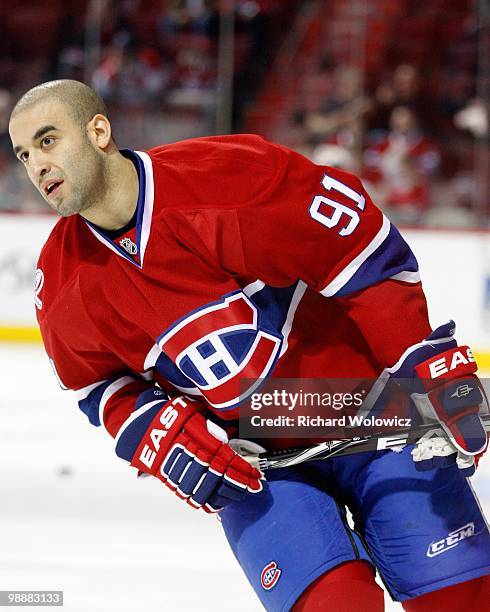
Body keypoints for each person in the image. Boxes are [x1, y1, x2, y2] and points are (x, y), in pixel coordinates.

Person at [9, 80, 490, 612]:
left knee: (463, 599)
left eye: (48, 141)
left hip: (376, 411)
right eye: (24, 153)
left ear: (98, 131)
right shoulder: (61, 284)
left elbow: (358, 248)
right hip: (258, 465)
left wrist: (422, 355)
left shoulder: (229, 176)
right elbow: (98, 385)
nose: (36, 166)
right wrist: (158, 436)